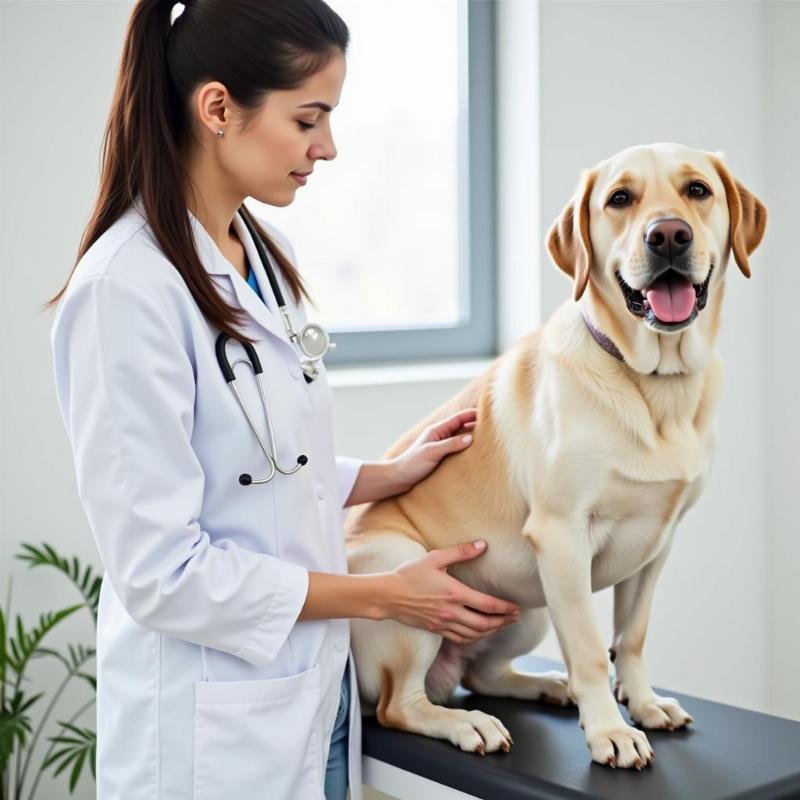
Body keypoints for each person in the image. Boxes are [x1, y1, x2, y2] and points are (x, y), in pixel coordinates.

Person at [47, 1, 520, 798]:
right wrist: (383, 596)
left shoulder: (268, 255)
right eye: (309, 119)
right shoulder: (124, 290)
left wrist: (384, 475)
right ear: (219, 109)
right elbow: (162, 572)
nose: (327, 148)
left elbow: (254, 461)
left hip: (316, 701)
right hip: (211, 736)